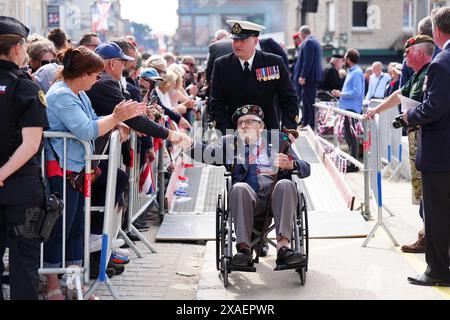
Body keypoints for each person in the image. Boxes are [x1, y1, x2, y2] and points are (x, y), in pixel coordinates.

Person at [43, 46, 146, 300]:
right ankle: (52, 285)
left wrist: (115, 121)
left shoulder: (77, 93)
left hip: (77, 169)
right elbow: (86, 129)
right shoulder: (61, 95)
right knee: (60, 228)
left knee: (77, 227)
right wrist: (115, 117)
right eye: (95, 74)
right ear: (83, 73)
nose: (97, 79)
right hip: (62, 169)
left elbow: (92, 120)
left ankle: (73, 283)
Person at [183, 105, 310, 267]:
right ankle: (244, 250)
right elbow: (208, 154)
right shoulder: (230, 144)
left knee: (286, 183)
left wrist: (291, 165)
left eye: (249, 121)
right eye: (240, 123)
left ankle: (284, 248)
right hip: (248, 197)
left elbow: (306, 167)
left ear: (261, 126)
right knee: (239, 188)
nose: (244, 125)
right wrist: (184, 142)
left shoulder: (278, 141)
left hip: (276, 197)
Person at [365, 35, 435, 254]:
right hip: (418, 142)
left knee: (429, 191)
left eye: (408, 53)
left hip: (429, 141)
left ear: (420, 53)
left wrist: (408, 115)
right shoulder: (416, 76)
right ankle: (427, 235)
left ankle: (431, 238)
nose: (404, 58)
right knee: (421, 192)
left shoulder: (432, 72)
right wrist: (377, 110)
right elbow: (399, 95)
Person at [0, 16, 49, 300]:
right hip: (20, 188)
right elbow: (31, 145)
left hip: (15, 184)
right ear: (18, 48)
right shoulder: (26, 86)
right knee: (24, 263)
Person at [404, 7, 450, 287]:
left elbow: (434, 108)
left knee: (436, 214)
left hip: (440, 153)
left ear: (436, 31)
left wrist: (410, 116)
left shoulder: (441, 62)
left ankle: (437, 270)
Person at [210, 20, 299, 135]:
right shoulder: (222, 65)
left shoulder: (273, 62)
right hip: (235, 133)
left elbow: (289, 99)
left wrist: (287, 131)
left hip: (268, 132)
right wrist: (228, 133)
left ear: (255, 41)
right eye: (235, 40)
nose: (237, 44)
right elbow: (217, 103)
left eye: (242, 40)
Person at [331, 49, 365, 173]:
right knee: (349, 136)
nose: (344, 61)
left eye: (345, 59)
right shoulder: (353, 72)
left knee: (351, 137)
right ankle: (352, 162)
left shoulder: (355, 73)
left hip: (351, 109)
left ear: (349, 59)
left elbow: (357, 92)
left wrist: (341, 94)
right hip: (348, 108)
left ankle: (354, 164)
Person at [293, 25, 323, 129]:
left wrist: (303, 76)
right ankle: (306, 122)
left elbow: (307, 61)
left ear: (302, 34)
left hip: (308, 78)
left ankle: (310, 123)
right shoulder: (315, 42)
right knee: (306, 101)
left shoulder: (309, 42)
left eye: (300, 35)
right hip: (311, 78)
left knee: (309, 102)